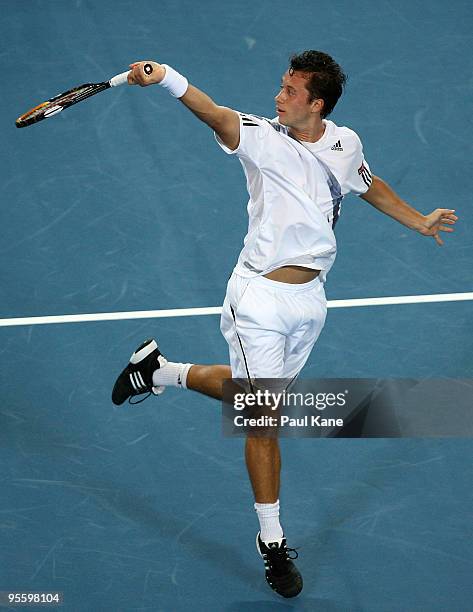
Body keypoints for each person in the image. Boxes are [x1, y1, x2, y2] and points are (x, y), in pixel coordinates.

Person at [112, 51, 457, 598]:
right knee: (263, 421)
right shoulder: (258, 137)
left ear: (317, 103)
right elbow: (216, 113)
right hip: (258, 303)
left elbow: (369, 184)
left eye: (291, 91)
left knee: (255, 400)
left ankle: (160, 371)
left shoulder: (345, 143)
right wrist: (168, 78)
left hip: (311, 302)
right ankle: (272, 543)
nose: (279, 97)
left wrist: (418, 221)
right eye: (280, 87)